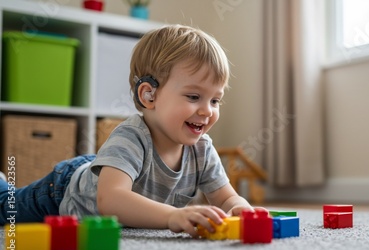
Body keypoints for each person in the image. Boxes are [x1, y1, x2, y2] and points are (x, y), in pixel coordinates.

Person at [0, 25, 260, 237]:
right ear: (149, 95)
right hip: (64, 190)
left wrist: (241, 209)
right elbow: (111, 200)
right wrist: (172, 215)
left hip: (108, 171)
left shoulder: (202, 149)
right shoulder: (132, 136)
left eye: (215, 100)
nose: (207, 111)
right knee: (7, 208)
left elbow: (226, 197)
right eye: (194, 96)